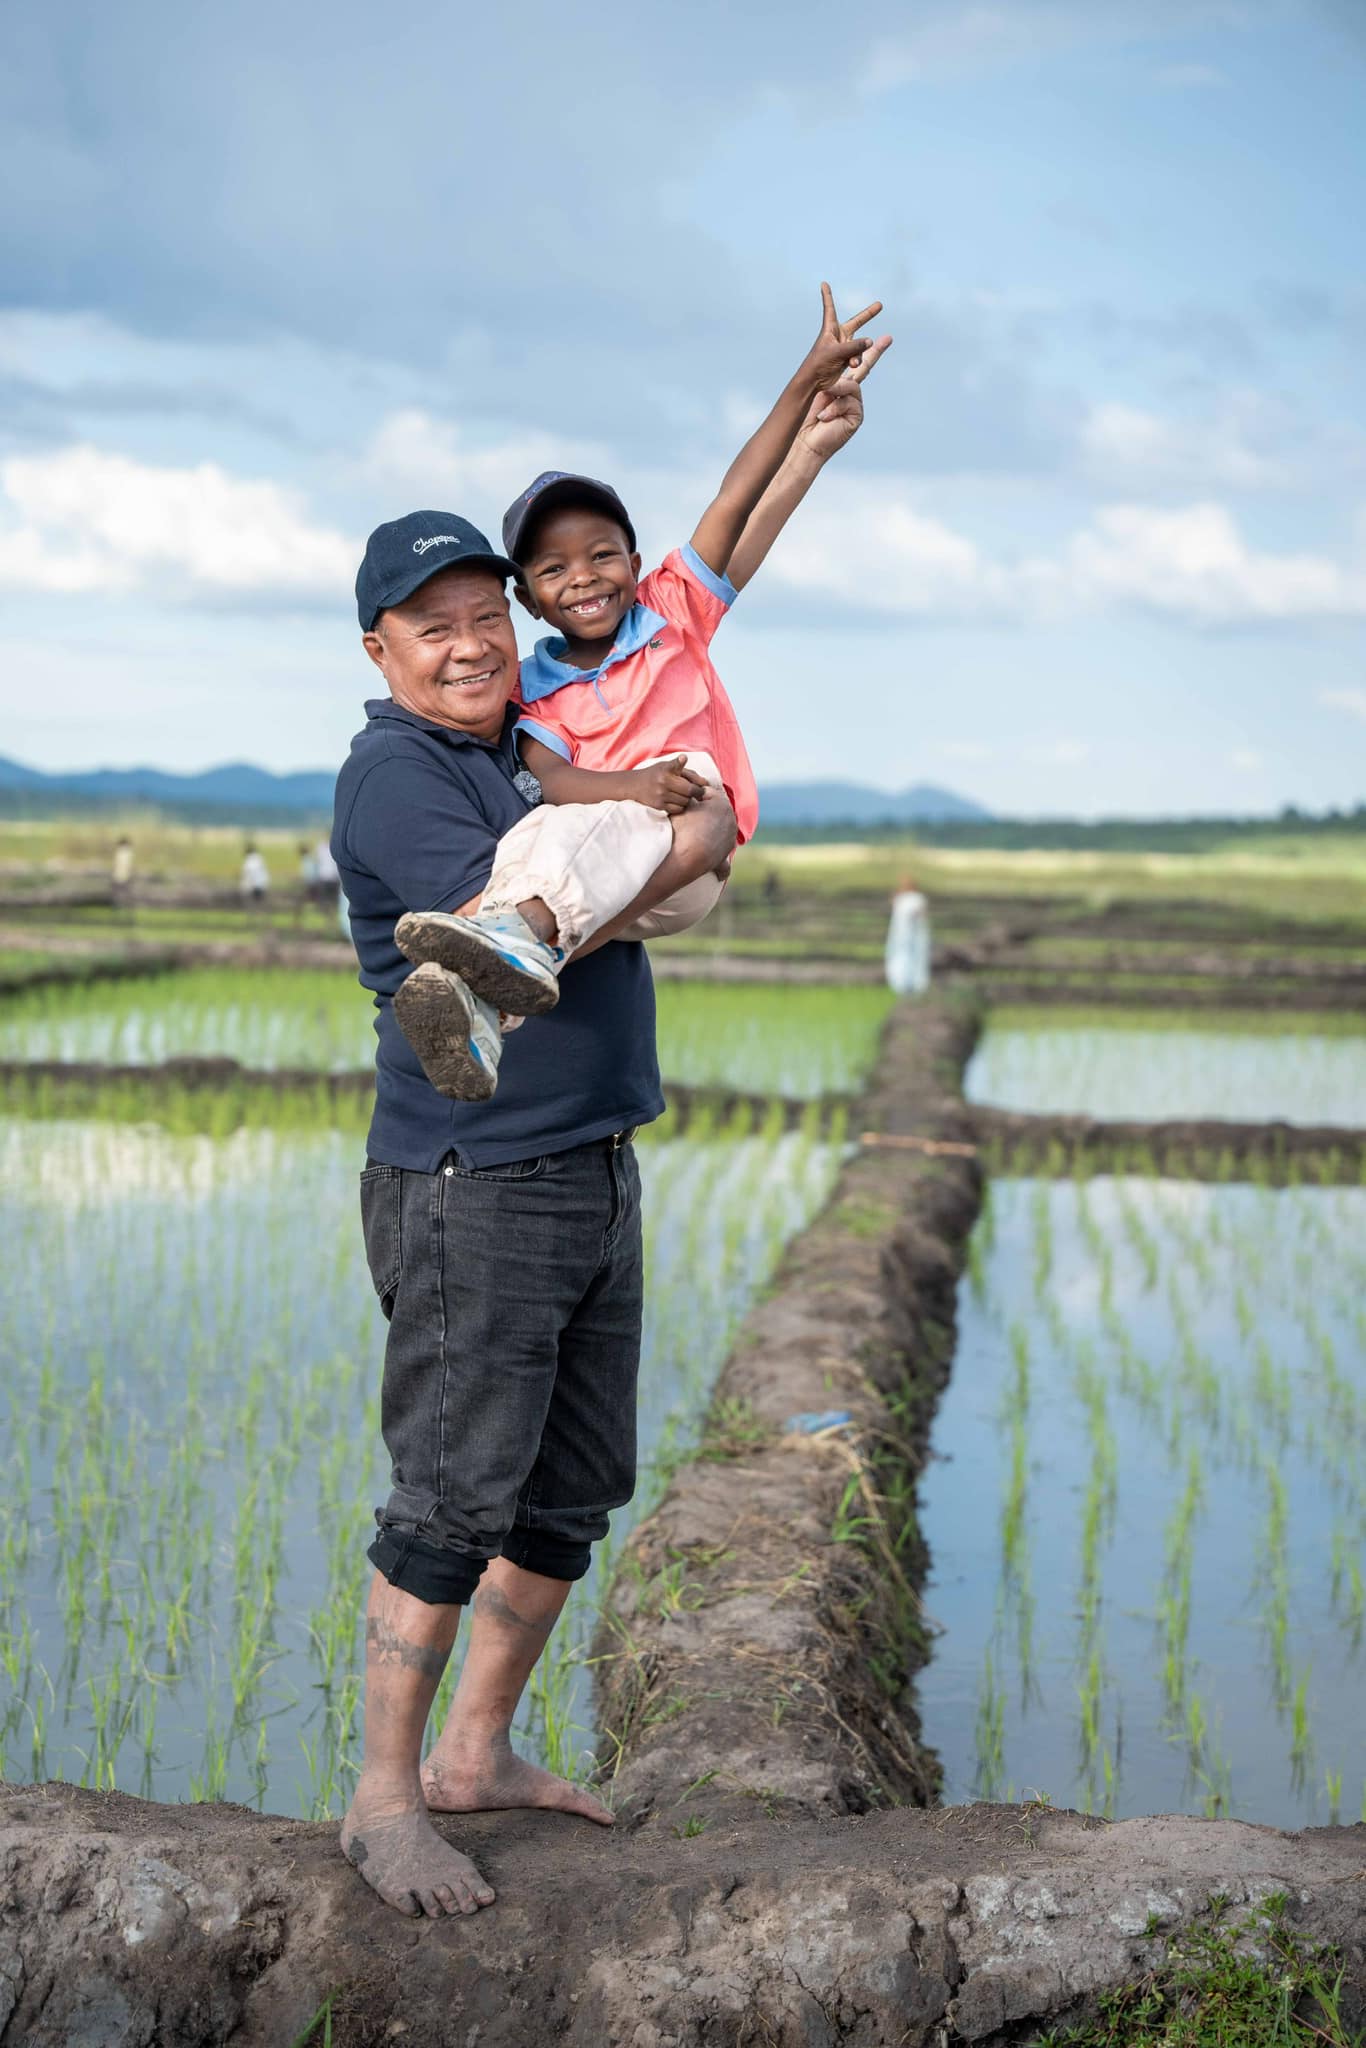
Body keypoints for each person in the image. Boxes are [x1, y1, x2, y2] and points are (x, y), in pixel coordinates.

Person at [328, 317, 888, 1922]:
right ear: (379, 650)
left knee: (568, 1489)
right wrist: (683, 852)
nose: (464, 643)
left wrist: (679, 815)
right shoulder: (403, 779)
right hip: (469, 1174)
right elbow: (646, 877)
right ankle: (383, 1799)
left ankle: (476, 1754)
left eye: (478, 617)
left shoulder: (531, 751)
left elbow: (728, 548)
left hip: (586, 1156)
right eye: (426, 627)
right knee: (451, 1491)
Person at [389, 285, 892, 1101]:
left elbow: (738, 502)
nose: (583, 578)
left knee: (676, 772)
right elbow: (550, 779)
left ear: (634, 557)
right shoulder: (532, 689)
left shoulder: (671, 612)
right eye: (553, 569)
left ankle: (505, 947)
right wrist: (627, 787)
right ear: (529, 598)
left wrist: (805, 396)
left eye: (602, 555)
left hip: (684, 860)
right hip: (595, 863)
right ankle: (482, 998)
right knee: (552, 824)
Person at [885, 873, 931, 995]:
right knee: (902, 958)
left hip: (913, 937)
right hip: (901, 937)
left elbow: (921, 914)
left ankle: (914, 986)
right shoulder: (902, 898)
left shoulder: (917, 898)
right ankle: (902, 984)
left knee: (914, 959)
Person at [110, 835, 134, 911]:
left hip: (119, 876)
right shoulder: (127, 852)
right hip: (124, 876)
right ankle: (122, 906)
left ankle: (118, 906)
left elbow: (118, 865)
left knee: (118, 893)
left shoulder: (121, 852)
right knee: (124, 893)